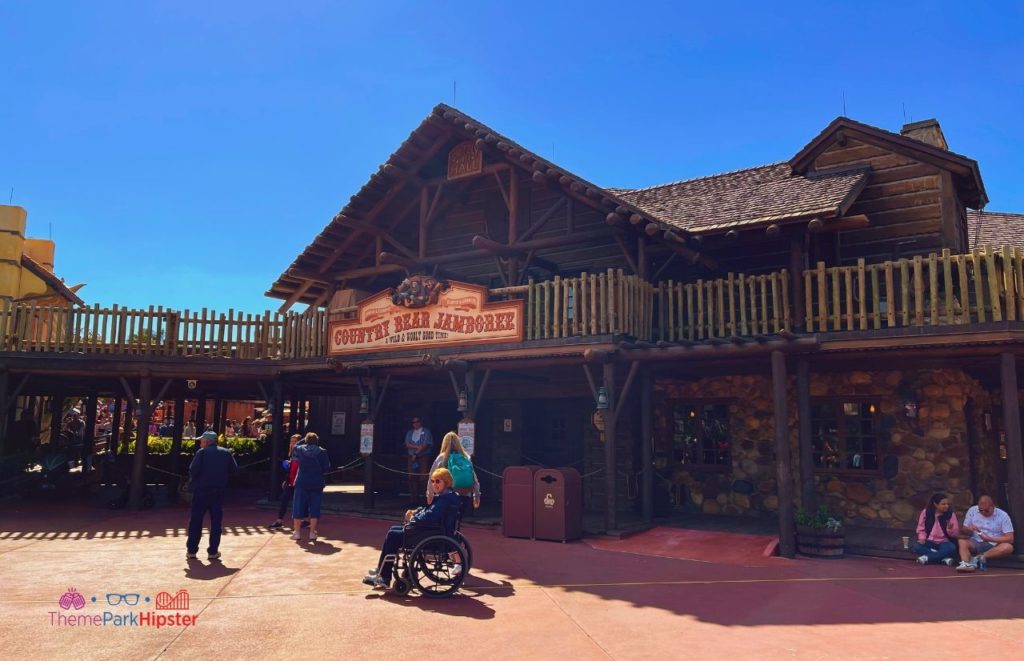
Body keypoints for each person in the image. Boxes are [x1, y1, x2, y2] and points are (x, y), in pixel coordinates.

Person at [363, 467, 463, 590]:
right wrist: (417, 512)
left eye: (438, 481)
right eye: (432, 481)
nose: (434, 484)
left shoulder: (445, 499)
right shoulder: (448, 496)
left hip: (430, 533)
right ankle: (382, 570)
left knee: (393, 535)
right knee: (393, 529)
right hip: (434, 530)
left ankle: (384, 576)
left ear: (446, 482)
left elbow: (431, 516)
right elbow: (430, 511)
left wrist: (414, 519)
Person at [186, 430, 238, 560]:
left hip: (202, 490)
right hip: (218, 491)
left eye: (202, 440)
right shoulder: (226, 453)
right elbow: (234, 469)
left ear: (207, 441)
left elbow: (193, 469)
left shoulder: (202, 453)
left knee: (196, 520)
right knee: (216, 522)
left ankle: (192, 550)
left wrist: (195, 480)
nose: (200, 442)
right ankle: (213, 551)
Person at [426, 431, 480, 516]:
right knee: (457, 520)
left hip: (448, 496)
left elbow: (431, 476)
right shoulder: (466, 457)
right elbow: (474, 478)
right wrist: (476, 496)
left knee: (446, 521)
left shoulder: (441, 458)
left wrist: (430, 493)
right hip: (465, 494)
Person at [955, 494, 1015, 572]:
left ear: (992, 506)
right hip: (975, 541)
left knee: (1008, 547)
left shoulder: (1003, 516)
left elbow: (1010, 538)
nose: (983, 512)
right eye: (980, 510)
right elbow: (964, 530)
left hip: (994, 544)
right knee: (962, 541)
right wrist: (969, 529)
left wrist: (989, 538)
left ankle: (977, 558)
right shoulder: (972, 510)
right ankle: (966, 563)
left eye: (986, 510)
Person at [290, 432, 330, 541]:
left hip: (302, 481)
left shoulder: (300, 449)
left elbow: (294, 446)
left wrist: (303, 440)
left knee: (297, 506)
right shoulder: (322, 451)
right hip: (317, 481)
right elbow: (326, 467)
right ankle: (312, 532)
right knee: (315, 507)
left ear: (306, 440)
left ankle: (297, 532)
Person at [269, 434, 309, 530]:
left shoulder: (301, 452)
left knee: (302, 500)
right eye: (291, 441)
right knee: (284, 499)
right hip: (290, 479)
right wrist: (286, 480)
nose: (292, 443)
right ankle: (279, 520)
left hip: (299, 480)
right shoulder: (291, 453)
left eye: (295, 441)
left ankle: (306, 520)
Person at [912, 492, 959, 566]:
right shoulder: (926, 512)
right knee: (916, 546)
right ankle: (944, 558)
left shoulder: (950, 514)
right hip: (929, 541)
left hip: (944, 543)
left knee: (951, 547)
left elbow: (955, 534)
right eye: (943, 504)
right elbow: (921, 528)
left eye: (947, 504)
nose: (946, 506)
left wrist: (950, 529)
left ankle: (927, 557)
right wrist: (922, 538)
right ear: (935, 504)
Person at [404, 416, 433, 502]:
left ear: (421, 422)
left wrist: (416, 453)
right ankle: (414, 499)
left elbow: (425, 445)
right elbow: (407, 444)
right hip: (411, 457)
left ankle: (425, 499)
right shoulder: (410, 432)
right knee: (411, 477)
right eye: (414, 422)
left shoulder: (426, 432)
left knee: (423, 478)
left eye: (417, 421)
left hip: (423, 456)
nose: (415, 423)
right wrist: (417, 447)